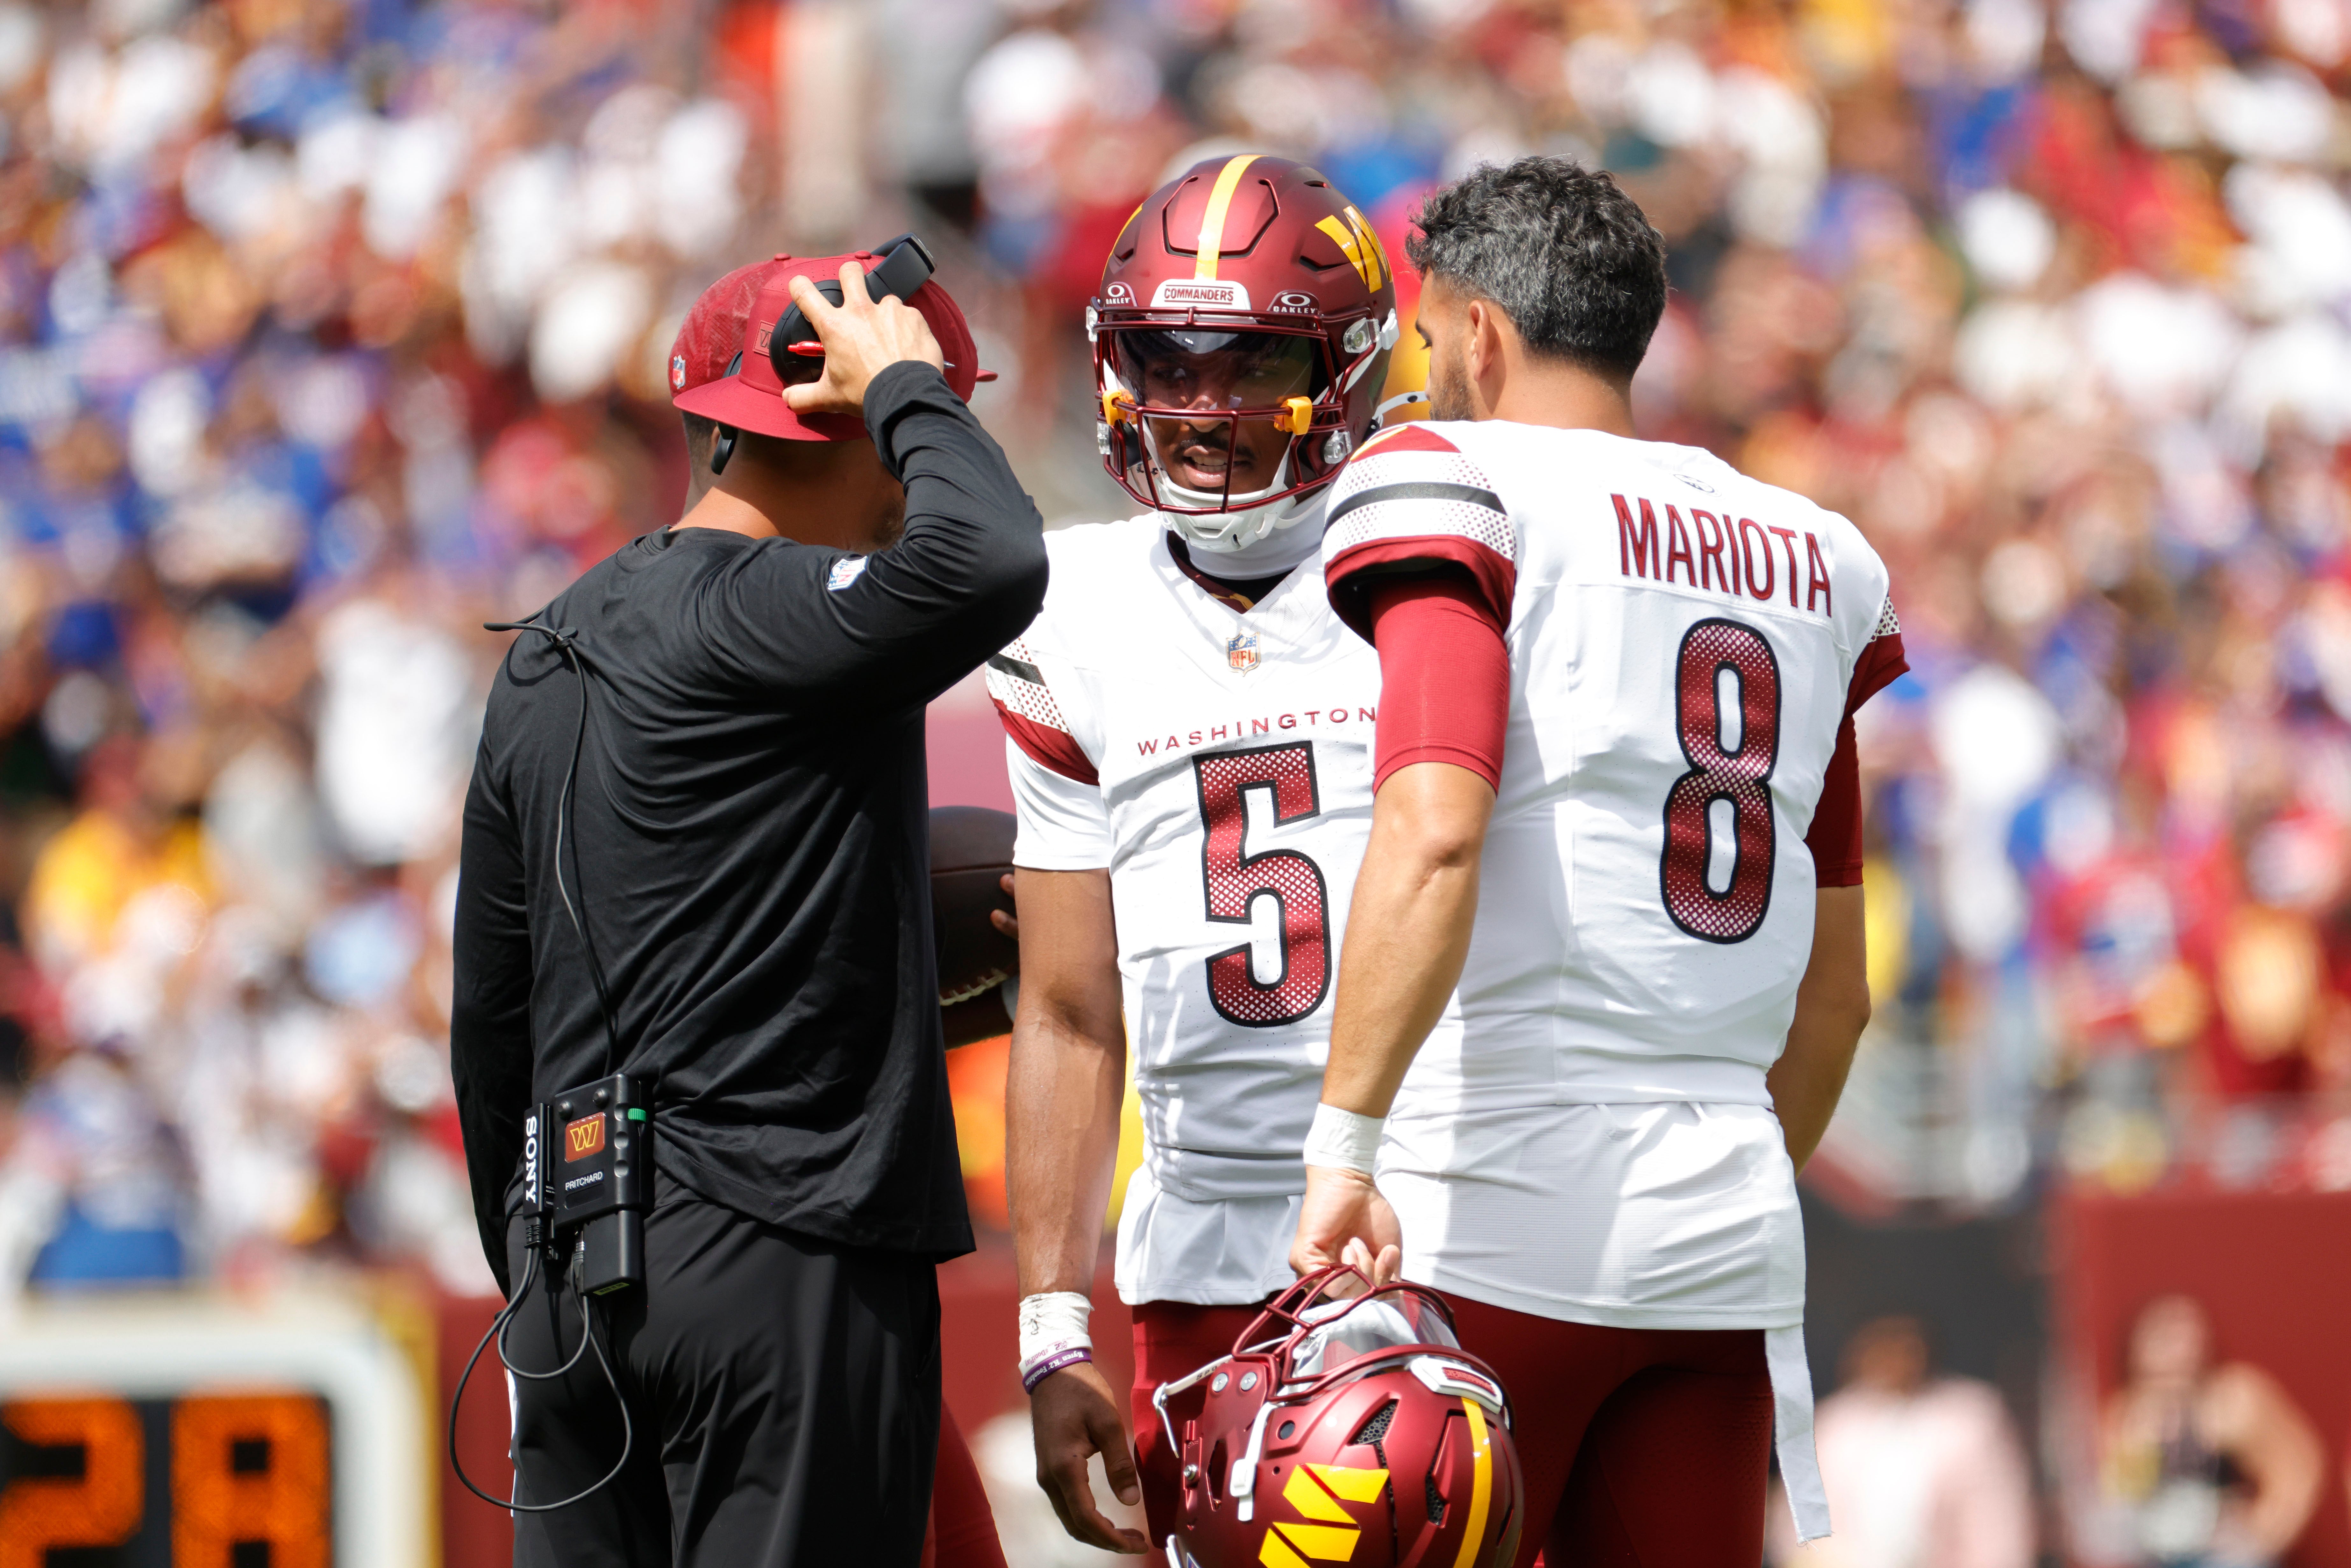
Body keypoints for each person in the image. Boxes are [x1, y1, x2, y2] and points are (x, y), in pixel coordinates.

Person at [1286, 155, 1905, 1565]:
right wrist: (1719, 1170)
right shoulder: (1813, 554)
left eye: (1433, 341)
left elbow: (1435, 826)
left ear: (1480, 335)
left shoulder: (1454, 477)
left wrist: (1340, 1144)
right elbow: (1833, 996)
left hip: (1485, 1205)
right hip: (1725, 1238)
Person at [450, 252, 1046, 1566]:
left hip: (564, 1267)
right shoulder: (783, 610)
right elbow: (994, 555)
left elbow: (492, 1018)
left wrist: (538, 1277)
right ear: (845, 415)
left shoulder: (542, 648)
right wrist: (908, 386)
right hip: (782, 1249)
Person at [986, 153, 1413, 1554]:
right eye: (1166, 359)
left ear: (1348, 362)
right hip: (1200, 1250)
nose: (1202, 406)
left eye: (1252, 362)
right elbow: (1062, 1000)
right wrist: (1054, 1329)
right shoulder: (1070, 606)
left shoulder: (1430, 552)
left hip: (1427, 1216)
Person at [1767, 1316, 2036, 1568]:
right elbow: (1796, 1518)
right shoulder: (1835, 1422)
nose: (1894, 1359)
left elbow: (1998, 1524)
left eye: (1905, 1349)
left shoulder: (1971, 1417)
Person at [2102, 1295, 2322, 1567]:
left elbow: (2298, 1468)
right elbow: (2121, 1502)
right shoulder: (2125, 1412)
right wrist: (2139, 1435)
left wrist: (2263, 1533)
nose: (2175, 1349)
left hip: (2223, 1554)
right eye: (2163, 1336)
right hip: (2157, 1554)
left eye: (2183, 1333)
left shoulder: (2233, 1398)